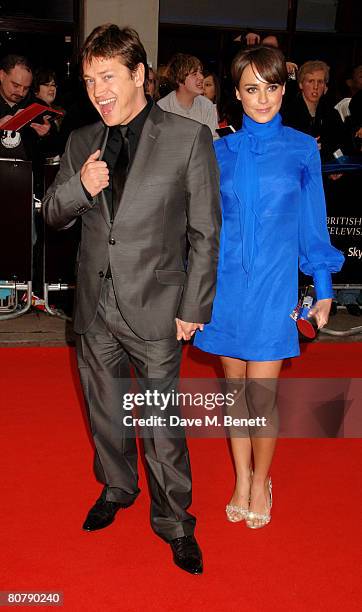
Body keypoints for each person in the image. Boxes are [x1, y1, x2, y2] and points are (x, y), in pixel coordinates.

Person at [43, 24, 220, 574]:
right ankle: (118, 488)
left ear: (139, 74)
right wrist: (80, 186)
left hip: (158, 307)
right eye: (91, 79)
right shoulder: (80, 141)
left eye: (109, 77)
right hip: (96, 305)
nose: (98, 90)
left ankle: (174, 520)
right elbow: (51, 213)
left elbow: (205, 233)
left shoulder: (187, 138)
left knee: (161, 421)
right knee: (105, 412)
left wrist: (194, 307)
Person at [194, 45, 344, 529]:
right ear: (236, 93)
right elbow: (203, 228)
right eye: (252, 89)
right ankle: (241, 477)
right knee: (233, 392)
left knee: (262, 394)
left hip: (275, 289)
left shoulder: (303, 147)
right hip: (226, 288)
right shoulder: (217, 152)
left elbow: (312, 221)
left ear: (284, 88)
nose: (263, 98)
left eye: (272, 87)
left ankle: (262, 481)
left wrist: (322, 286)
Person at [157, 53, 219, 137]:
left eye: (200, 72)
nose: (201, 77)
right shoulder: (163, 108)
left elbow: (212, 141)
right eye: (194, 74)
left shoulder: (207, 106)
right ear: (179, 79)